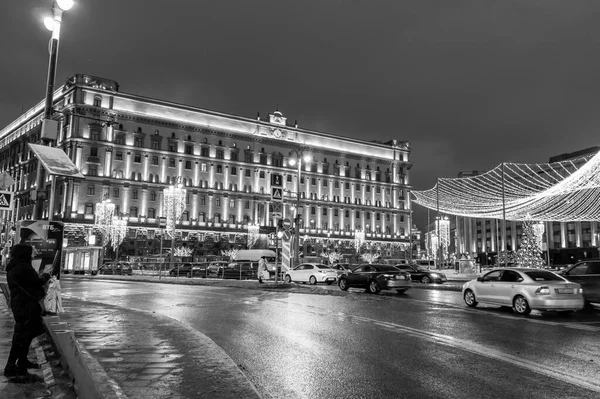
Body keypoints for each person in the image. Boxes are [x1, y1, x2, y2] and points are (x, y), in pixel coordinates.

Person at [3, 244, 51, 378]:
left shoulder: (17, 265)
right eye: (32, 249)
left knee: (25, 334)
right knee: (22, 336)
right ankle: (12, 367)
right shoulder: (22, 267)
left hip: (22, 305)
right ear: (25, 253)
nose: (35, 251)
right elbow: (36, 282)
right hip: (25, 306)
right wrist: (47, 275)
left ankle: (21, 362)